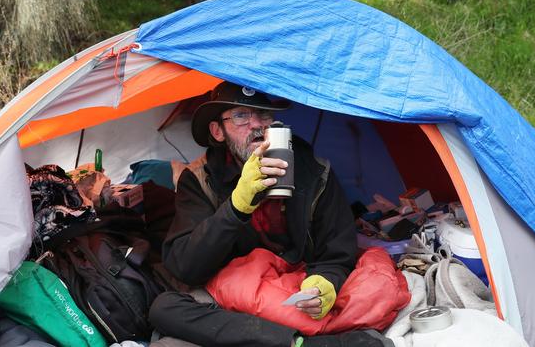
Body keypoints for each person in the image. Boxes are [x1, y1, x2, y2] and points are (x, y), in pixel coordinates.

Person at [149, 82, 391, 347]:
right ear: (218, 131)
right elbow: (185, 266)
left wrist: (326, 282)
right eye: (241, 116)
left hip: (296, 289)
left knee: (375, 284)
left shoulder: (314, 171)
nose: (257, 125)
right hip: (235, 296)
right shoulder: (199, 180)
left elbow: (337, 251)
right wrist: (236, 207)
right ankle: (301, 344)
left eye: (263, 115)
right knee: (164, 308)